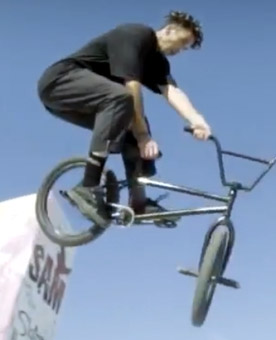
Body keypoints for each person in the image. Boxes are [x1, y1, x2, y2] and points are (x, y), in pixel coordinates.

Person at [36, 11, 212, 227]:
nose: (180, 50)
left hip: (85, 102)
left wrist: (197, 120)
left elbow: (172, 92)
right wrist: (143, 136)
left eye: (185, 48)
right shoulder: (136, 35)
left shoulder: (157, 63)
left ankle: (139, 203)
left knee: (131, 126)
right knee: (122, 100)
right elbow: (131, 86)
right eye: (182, 42)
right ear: (169, 30)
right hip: (60, 82)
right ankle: (87, 187)